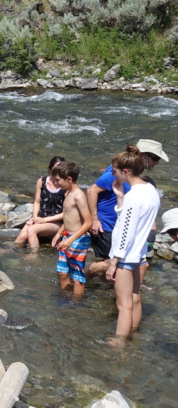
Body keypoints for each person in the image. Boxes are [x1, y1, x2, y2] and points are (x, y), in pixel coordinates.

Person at [87, 139, 168, 278]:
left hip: (119, 224)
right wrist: (94, 220)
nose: (157, 162)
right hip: (106, 225)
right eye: (155, 158)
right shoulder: (117, 171)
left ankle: (105, 288)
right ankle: (82, 277)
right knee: (110, 263)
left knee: (116, 265)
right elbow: (91, 191)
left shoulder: (134, 175)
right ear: (144, 155)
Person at [105, 146, 161, 340]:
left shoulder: (134, 196)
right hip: (138, 253)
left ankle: (118, 345)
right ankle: (134, 335)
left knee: (123, 305)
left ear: (125, 171)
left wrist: (114, 262)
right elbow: (133, 222)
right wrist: (120, 198)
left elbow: (126, 232)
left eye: (115, 171)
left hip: (126, 256)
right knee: (135, 298)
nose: (114, 175)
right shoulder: (151, 190)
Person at [49, 161, 93, 300]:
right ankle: (65, 297)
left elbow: (88, 223)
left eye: (58, 180)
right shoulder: (67, 192)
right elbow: (68, 217)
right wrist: (59, 233)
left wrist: (71, 239)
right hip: (67, 237)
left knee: (76, 275)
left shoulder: (78, 196)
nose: (56, 183)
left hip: (78, 239)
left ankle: (76, 303)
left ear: (69, 179)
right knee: (62, 272)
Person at [15, 156, 66, 249]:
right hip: (39, 217)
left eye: (61, 168)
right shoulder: (42, 181)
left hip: (56, 222)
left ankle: (34, 257)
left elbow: (67, 213)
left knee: (31, 230)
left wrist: (45, 220)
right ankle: (12, 255)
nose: (58, 171)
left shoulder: (65, 186)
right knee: (21, 238)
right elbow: (37, 202)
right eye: (55, 168)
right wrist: (34, 218)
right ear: (50, 169)